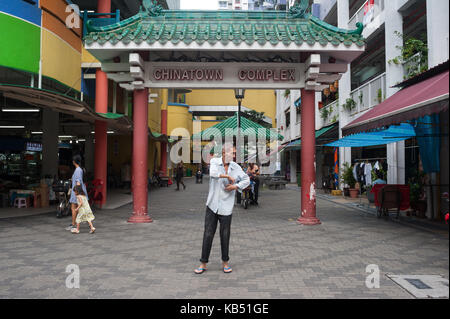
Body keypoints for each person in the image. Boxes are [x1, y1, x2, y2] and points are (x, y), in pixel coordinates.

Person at [194, 142, 250, 274]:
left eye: (235, 153)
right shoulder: (214, 162)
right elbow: (213, 174)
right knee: (208, 234)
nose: (235, 155)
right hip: (212, 205)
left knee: (225, 235)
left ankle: (225, 262)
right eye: (233, 152)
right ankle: (203, 263)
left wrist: (235, 186)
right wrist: (227, 176)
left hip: (226, 207)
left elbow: (246, 179)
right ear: (224, 152)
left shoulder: (236, 167)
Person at [66, 155, 88, 231]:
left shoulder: (78, 170)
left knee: (73, 208)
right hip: (77, 191)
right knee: (79, 208)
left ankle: (73, 224)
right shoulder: (79, 169)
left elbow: (78, 182)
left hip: (76, 191)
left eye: (73, 160)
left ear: (74, 161)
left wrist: (77, 194)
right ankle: (81, 222)